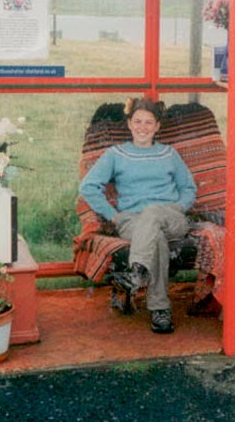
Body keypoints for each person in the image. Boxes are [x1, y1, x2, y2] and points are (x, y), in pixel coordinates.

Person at [79, 97, 197, 334]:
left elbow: (189, 188)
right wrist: (113, 216)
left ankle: (137, 273)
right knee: (156, 238)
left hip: (170, 216)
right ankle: (160, 310)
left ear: (157, 126)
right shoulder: (115, 154)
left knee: (153, 212)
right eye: (138, 121)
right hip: (131, 219)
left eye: (149, 122)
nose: (143, 127)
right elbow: (88, 186)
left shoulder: (169, 154)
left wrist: (178, 208)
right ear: (129, 124)